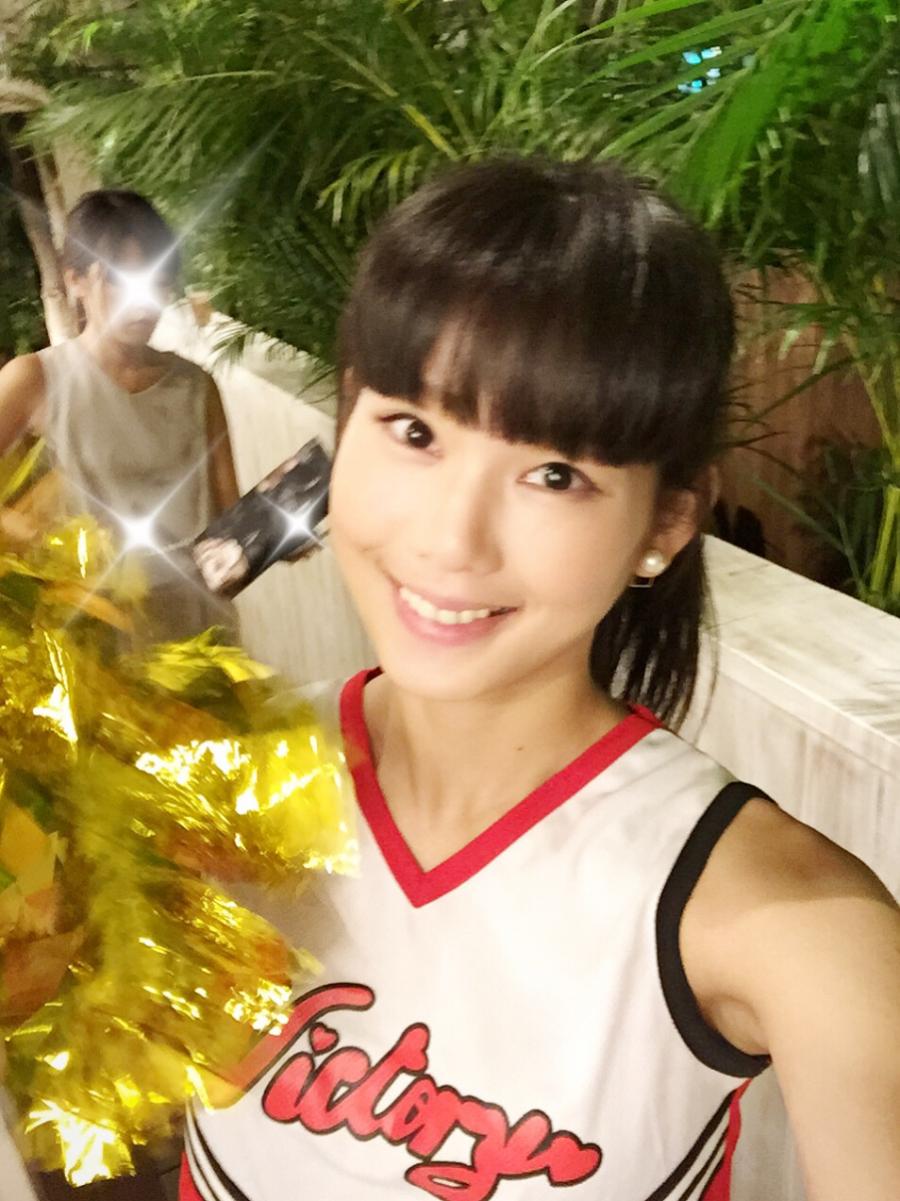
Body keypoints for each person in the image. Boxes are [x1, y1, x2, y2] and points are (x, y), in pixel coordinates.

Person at [179, 159, 900, 1201]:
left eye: (554, 474)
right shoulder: (196, 781)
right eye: (414, 431)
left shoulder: (796, 926)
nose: (451, 540)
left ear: (665, 523)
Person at [0, 189, 240, 641]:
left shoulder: (196, 387)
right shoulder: (36, 379)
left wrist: (279, 528)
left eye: (158, 281)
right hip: (92, 641)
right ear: (75, 280)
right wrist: (31, 536)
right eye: (120, 280)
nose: (143, 300)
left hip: (198, 636)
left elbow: (230, 522)